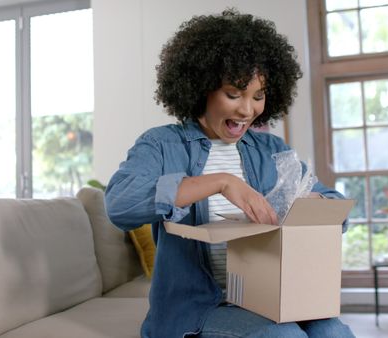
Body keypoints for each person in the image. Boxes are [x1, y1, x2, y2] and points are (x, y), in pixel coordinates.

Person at [105, 9, 355, 338]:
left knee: (332, 331)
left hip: (266, 298)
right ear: (201, 88)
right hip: (198, 310)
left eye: (258, 97)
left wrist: (312, 203)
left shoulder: (269, 149)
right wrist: (221, 183)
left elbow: (338, 211)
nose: (247, 110)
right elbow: (120, 204)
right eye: (234, 95)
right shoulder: (162, 144)